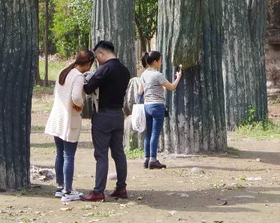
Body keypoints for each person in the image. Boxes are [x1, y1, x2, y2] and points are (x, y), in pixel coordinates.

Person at [82, 40, 132, 202]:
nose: (97, 60)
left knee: (101, 154)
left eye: (97, 57)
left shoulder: (104, 69)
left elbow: (88, 88)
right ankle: (121, 187)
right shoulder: (125, 70)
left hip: (103, 115)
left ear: (102, 53)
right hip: (119, 114)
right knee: (118, 152)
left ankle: (98, 191)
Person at [44, 50, 94, 201]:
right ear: (88, 63)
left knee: (60, 154)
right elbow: (77, 97)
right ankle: (68, 191)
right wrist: (80, 105)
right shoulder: (78, 76)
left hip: (57, 117)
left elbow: (57, 93)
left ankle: (60, 187)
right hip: (69, 119)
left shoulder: (64, 71)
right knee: (69, 156)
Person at [139, 50, 182, 170]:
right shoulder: (157, 74)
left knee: (148, 133)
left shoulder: (144, 74)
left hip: (147, 106)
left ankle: (146, 158)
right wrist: (178, 77)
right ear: (155, 61)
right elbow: (172, 87)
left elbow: (142, 91)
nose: (161, 63)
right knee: (155, 134)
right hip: (157, 106)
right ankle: (153, 159)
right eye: (160, 60)